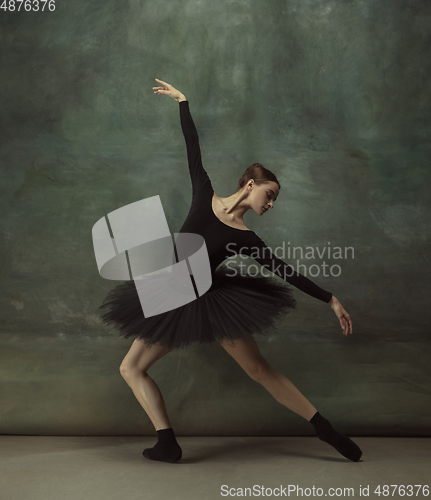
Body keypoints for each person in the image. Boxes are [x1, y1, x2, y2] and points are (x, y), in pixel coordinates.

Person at [98, 78, 362, 464]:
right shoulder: (204, 193)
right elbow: (193, 148)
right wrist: (183, 102)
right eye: (269, 195)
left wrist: (331, 298)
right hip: (171, 293)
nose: (271, 204)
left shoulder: (247, 238)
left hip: (207, 299)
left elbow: (286, 271)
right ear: (250, 184)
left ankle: (325, 429)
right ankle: (167, 442)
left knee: (258, 370)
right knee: (131, 368)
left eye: (273, 200)